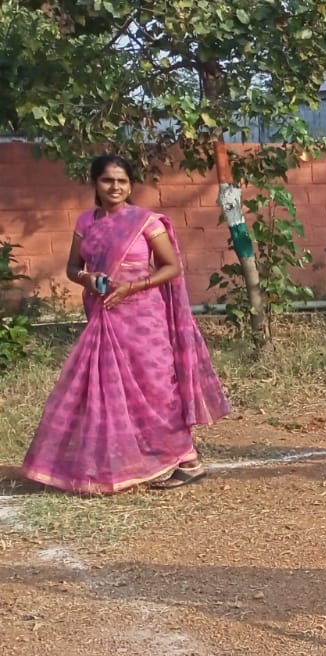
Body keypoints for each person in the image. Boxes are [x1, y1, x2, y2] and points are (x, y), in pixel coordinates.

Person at [21, 154, 229, 494]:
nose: (115, 187)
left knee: (156, 388)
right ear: (95, 184)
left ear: (131, 185)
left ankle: (188, 460)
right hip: (104, 316)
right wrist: (87, 278)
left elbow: (171, 267)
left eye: (122, 181)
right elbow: (73, 268)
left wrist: (132, 287)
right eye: (107, 180)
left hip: (144, 319)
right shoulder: (86, 222)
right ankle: (115, 463)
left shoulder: (146, 222)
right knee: (105, 391)